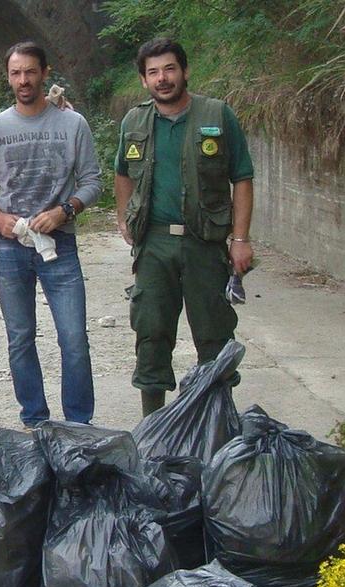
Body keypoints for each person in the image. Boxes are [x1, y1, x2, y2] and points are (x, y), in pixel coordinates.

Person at [114, 37, 255, 418]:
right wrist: (124, 216)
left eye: (170, 69)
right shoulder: (135, 121)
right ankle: (154, 429)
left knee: (214, 337)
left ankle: (217, 424)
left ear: (185, 71)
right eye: (154, 72)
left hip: (204, 244)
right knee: (151, 337)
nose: (163, 79)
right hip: (154, 246)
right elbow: (123, 173)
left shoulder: (217, 115)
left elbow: (242, 177)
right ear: (144, 80)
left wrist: (240, 240)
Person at [0, 40, 101, 428]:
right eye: (16, 73)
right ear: (8, 77)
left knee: (74, 339)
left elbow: (93, 182)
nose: (23, 80)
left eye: (31, 71)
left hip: (59, 245)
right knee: (20, 339)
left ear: (45, 74)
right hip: (10, 246)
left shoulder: (72, 124)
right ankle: (35, 420)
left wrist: (66, 210)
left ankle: (78, 424)